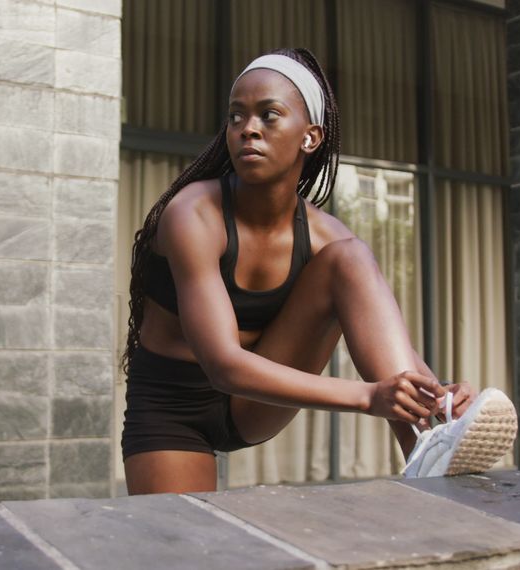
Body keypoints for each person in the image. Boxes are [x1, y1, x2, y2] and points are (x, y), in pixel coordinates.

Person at [121, 48, 494, 495]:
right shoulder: (193, 214)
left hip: (252, 405)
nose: (248, 129)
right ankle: (428, 438)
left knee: (350, 258)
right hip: (171, 409)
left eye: (268, 115)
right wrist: (367, 396)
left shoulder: (325, 237)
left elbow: (392, 349)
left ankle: (427, 443)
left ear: (310, 137)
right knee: (186, 553)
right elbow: (223, 364)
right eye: (236, 117)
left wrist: (436, 396)